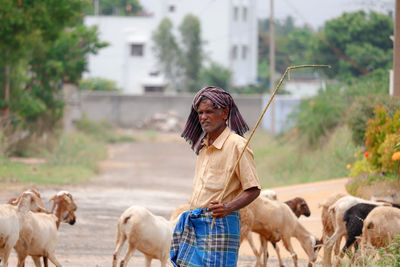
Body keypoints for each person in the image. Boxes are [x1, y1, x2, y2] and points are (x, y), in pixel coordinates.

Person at [170, 86, 261, 266]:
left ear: (224, 113)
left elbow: (253, 189)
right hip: (195, 222)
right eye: (200, 112)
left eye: (209, 112)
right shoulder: (203, 147)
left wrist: (228, 207)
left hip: (219, 223)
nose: (204, 117)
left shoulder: (237, 145)